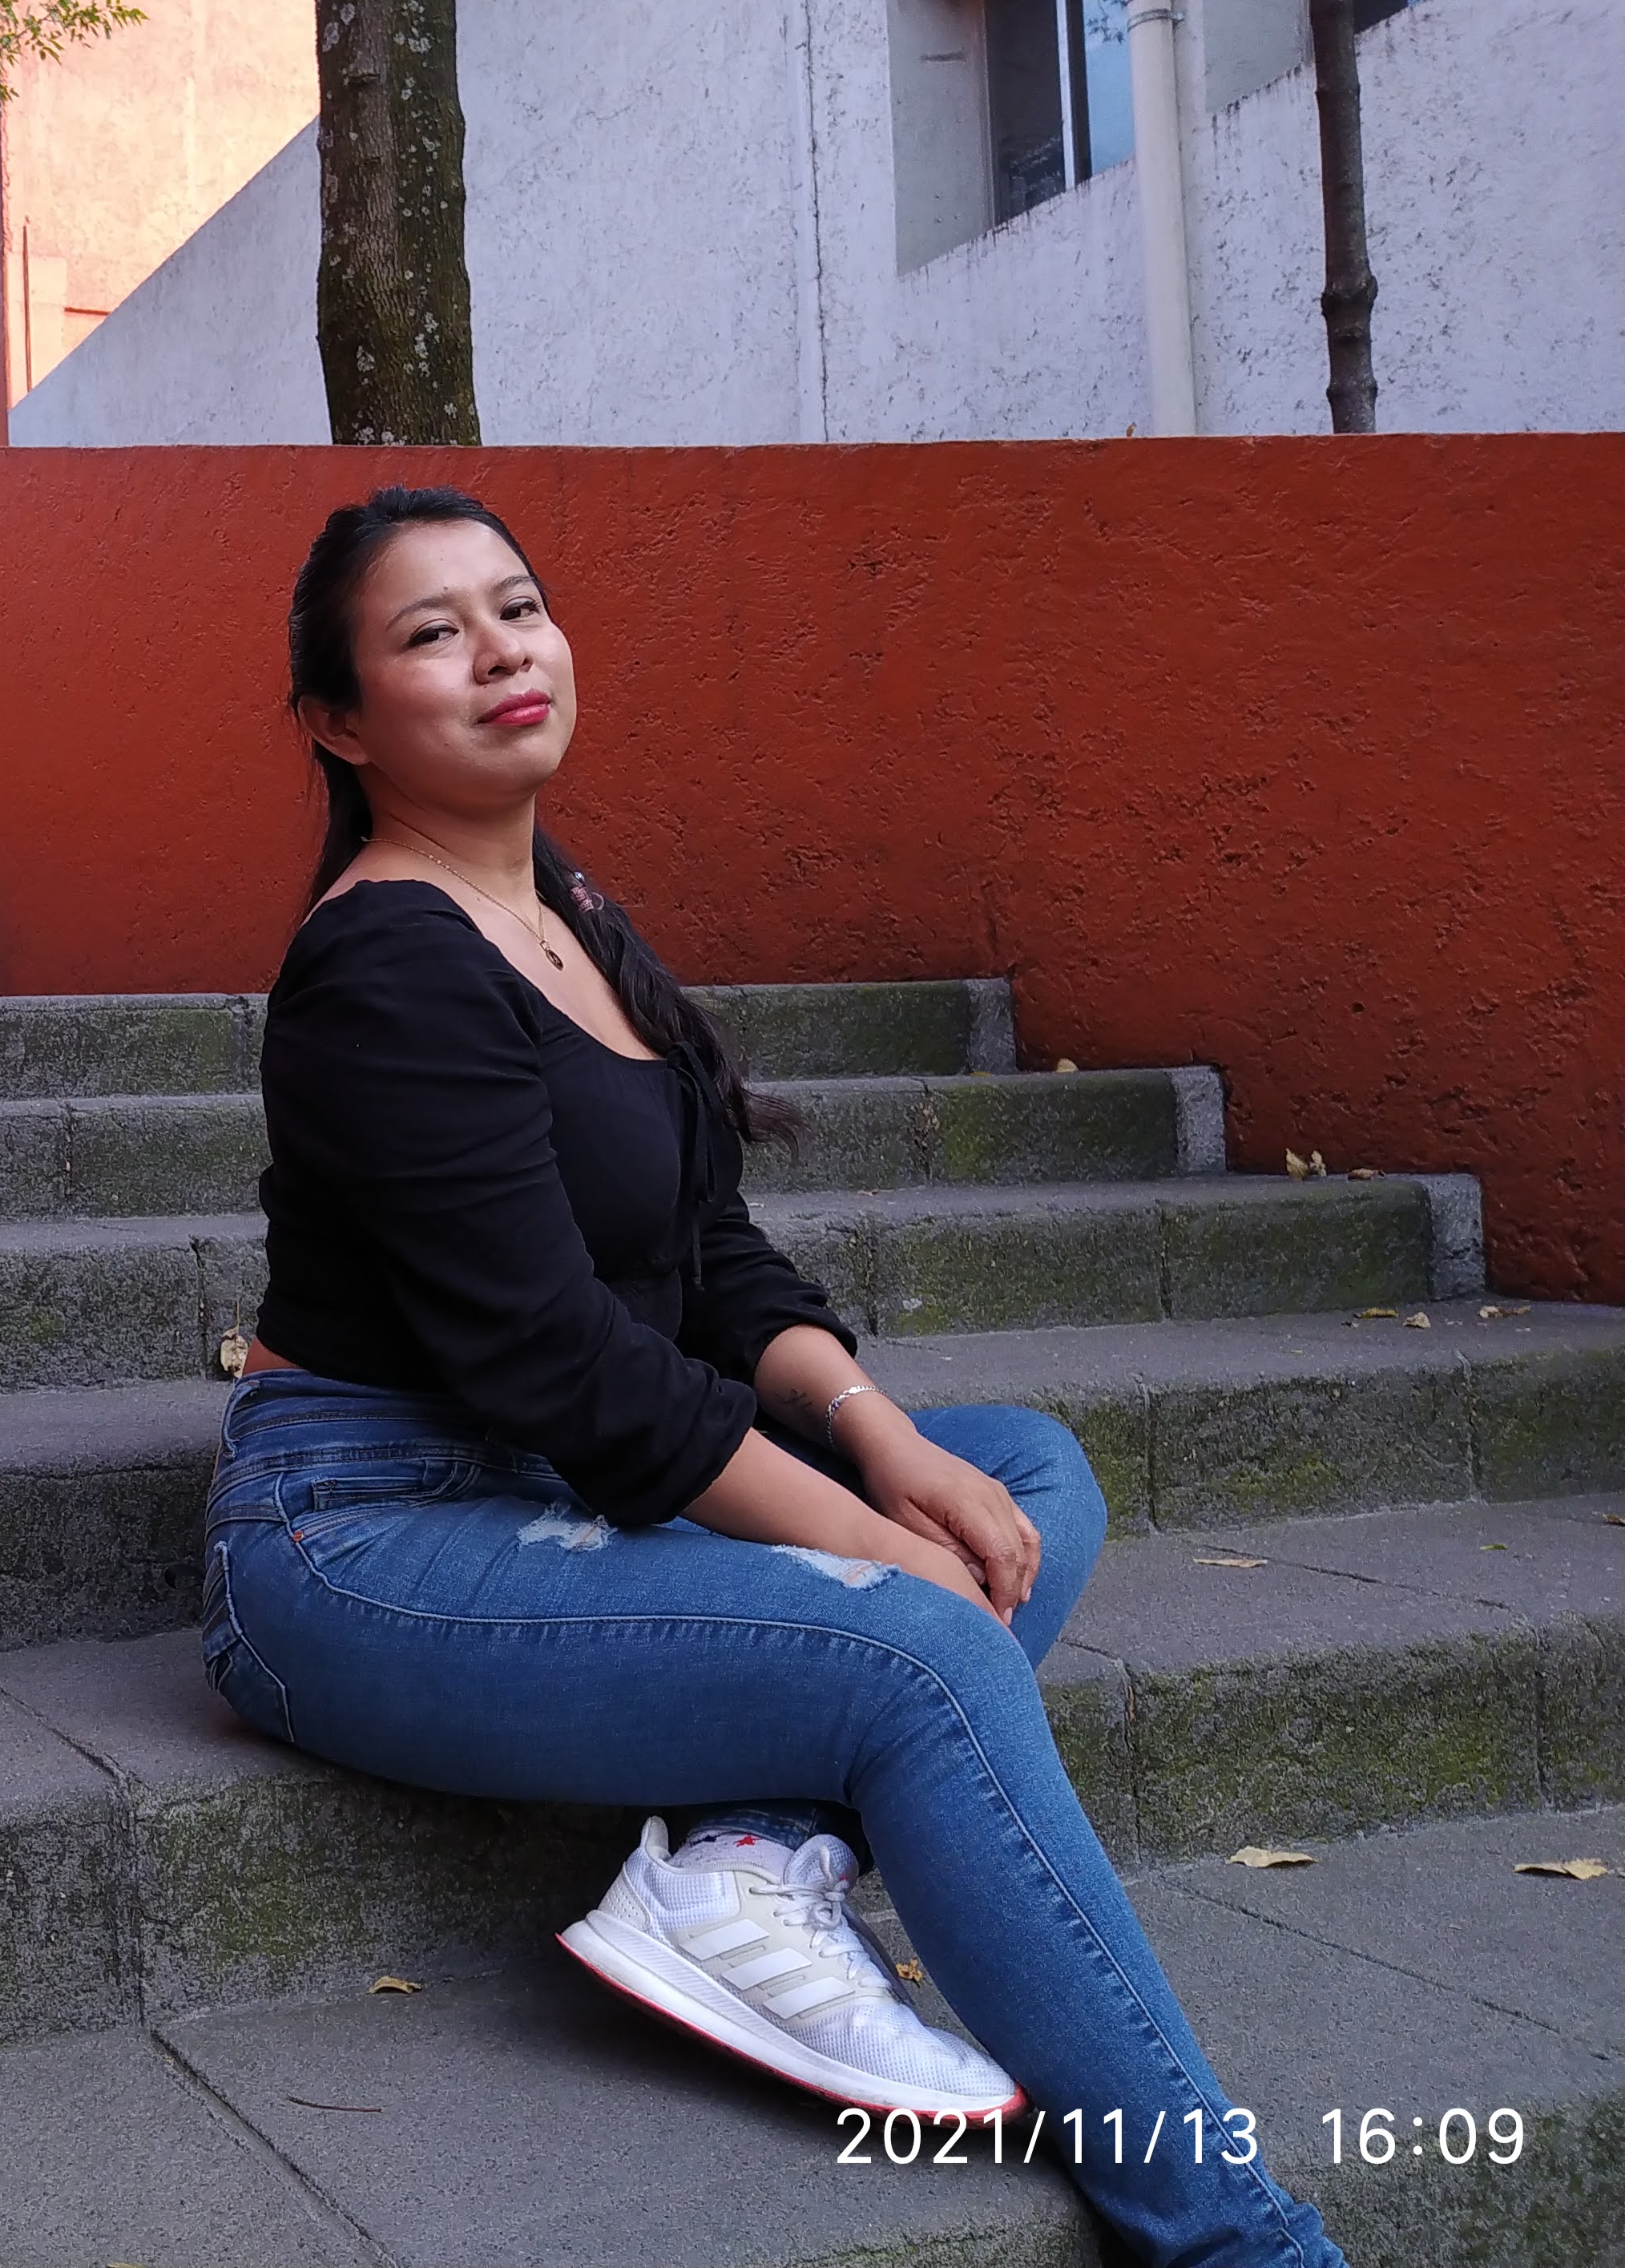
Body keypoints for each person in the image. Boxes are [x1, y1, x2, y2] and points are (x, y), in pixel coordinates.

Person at [204, 486, 1345, 2268]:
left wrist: (881, 1446)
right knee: (924, 1652)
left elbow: (712, 1257)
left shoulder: (563, 910)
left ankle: (739, 1865)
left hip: (555, 1482)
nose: (500, 650)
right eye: (431, 632)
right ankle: (1237, 2242)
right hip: (362, 1538)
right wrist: (877, 1556)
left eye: (518, 606)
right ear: (339, 724)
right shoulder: (380, 964)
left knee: (1017, 1471)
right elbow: (560, 1362)